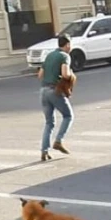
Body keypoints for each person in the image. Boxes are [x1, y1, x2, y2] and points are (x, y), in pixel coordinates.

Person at [37, 34, 75, 162]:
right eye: (70, 44)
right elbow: (65, 74)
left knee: (49, 122)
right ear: (67, 45)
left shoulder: (49, 55)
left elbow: (40, 74)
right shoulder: (65, 56)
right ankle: (58, 141)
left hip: (43, 91)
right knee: (68, 116)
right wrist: (71, 75)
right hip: (54, 90)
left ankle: (44, 151)